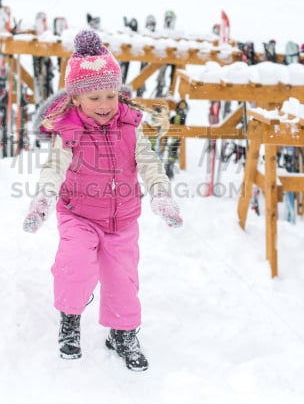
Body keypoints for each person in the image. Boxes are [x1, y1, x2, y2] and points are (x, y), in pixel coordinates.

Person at [22, 29, 183, 372]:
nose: (105, 105)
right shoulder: (70, 130)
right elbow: (54, 168)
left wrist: (161, 193)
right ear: (76, 99)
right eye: (94, 98)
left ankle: (122, 333)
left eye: (110, 95)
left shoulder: (130, 126)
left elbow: (149, 162)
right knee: (74, 265)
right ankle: (70, 319)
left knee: (123, 278)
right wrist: (43, 200)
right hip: (78, 213)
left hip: (122, 219)